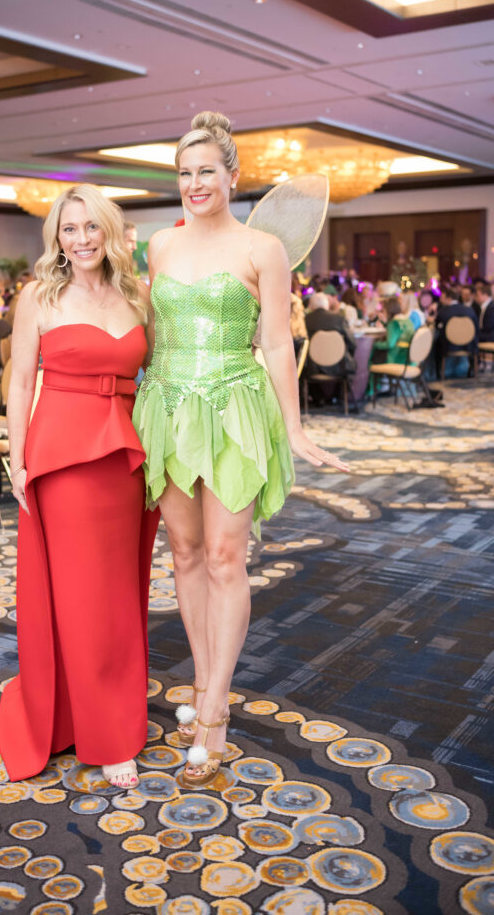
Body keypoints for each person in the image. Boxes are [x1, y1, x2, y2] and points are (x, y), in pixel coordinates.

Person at [132, 112, 348, 790]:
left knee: (226, 557)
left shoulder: (263, 249)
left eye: (207, 171)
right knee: (185, 554)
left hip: (233, 409)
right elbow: (149, 335)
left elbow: (278, 343)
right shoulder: (161, 247)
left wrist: (295, 427)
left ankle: (215, 708)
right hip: (168, 409)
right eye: (185, 173)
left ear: (232, 176)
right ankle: (202, 680)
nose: (195, 183)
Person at [0, 184, 158, 791]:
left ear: (109, 231)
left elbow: (158, 375)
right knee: (80, 594)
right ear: (57, 238)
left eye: (91, 226)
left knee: (118, 593)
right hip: (62, 455)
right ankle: (104, 734)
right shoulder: (39, 295)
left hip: (126, 455)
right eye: (70, 229)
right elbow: (19, 384)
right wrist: (17, 460)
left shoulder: (138, 295)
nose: (82, 238)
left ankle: (99, 711)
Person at [304, 291, 357, 383]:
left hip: (312, 368)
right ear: (327, 305)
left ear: (311, 306)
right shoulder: (339, 319)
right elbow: (352, 343)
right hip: (339, 367)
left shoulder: (305, 320)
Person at [433, 285, 478, 377]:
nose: (441, 300)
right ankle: (472, 370)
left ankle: (438, 372)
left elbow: (437, 325)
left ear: (449, 298)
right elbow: (476, 329)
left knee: (436, 341)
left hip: (448, 346)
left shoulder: (444, 311)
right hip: (469, 345)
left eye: (443, 298)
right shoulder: (469, 310)